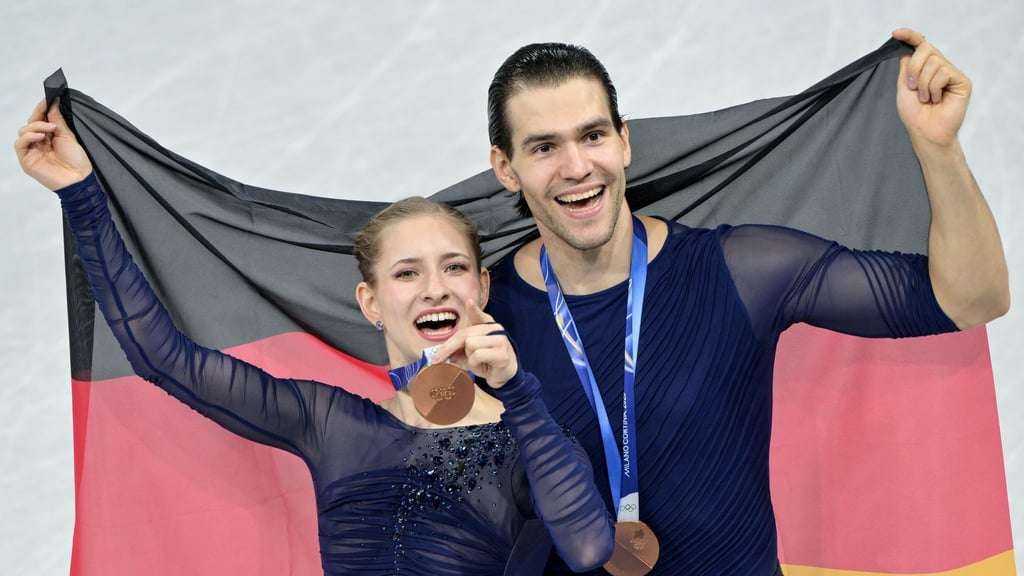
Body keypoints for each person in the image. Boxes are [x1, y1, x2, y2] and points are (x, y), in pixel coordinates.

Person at [474, 27, 1010, 575]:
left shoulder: (740, 269)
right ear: (506, 168)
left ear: (624, 141)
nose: (577, 166)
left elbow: (970, 299)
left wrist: (938, 149)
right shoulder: (483, 322)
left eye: (593, 136)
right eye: (544, 147)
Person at [14, 100, 615, 575]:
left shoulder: (528, 433)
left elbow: (588, 547)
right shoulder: (329, 423)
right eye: (407, 273)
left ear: (482, 288)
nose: (435, 288)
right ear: (371, 303)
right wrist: (82, 196)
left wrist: (517, 391)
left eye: (453, 267)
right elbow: (161, 356)